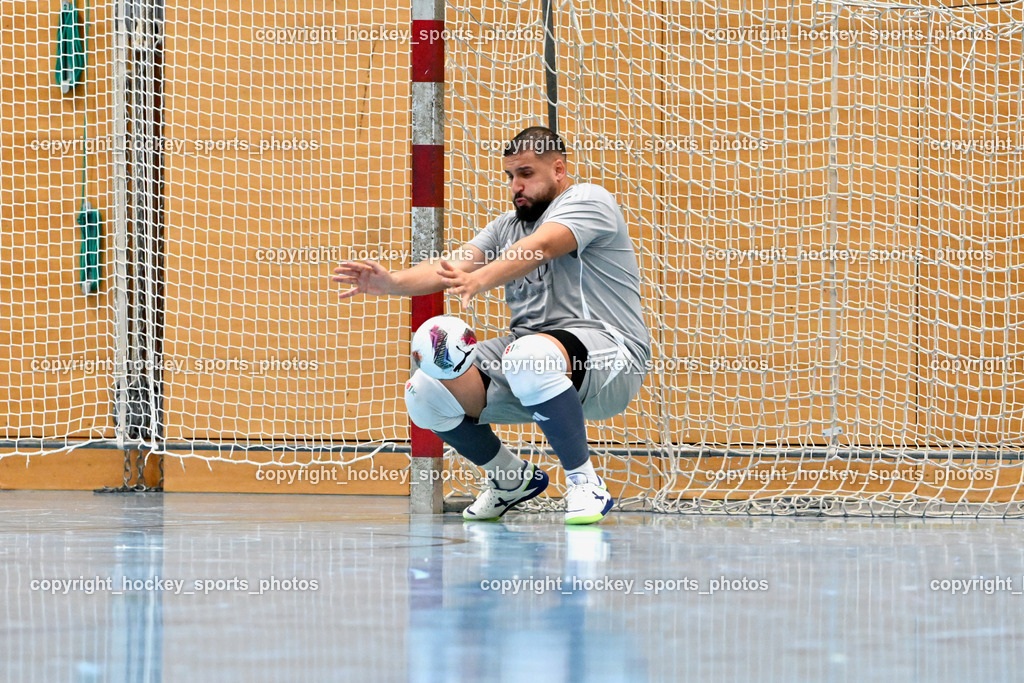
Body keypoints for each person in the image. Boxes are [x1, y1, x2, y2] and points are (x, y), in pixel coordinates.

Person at [331, 126, 650, 524]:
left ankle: (585, 484)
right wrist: (391, 283)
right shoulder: (504, 227)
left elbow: (544, 246)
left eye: (527, 174)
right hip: (533, 362)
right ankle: (509, 478)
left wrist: (482, 278)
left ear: (559, 169)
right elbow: (450, 267)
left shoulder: (588, 200)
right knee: (424, 390)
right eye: (510, 176)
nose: (516, 185)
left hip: (610, 359)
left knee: (528, 355)